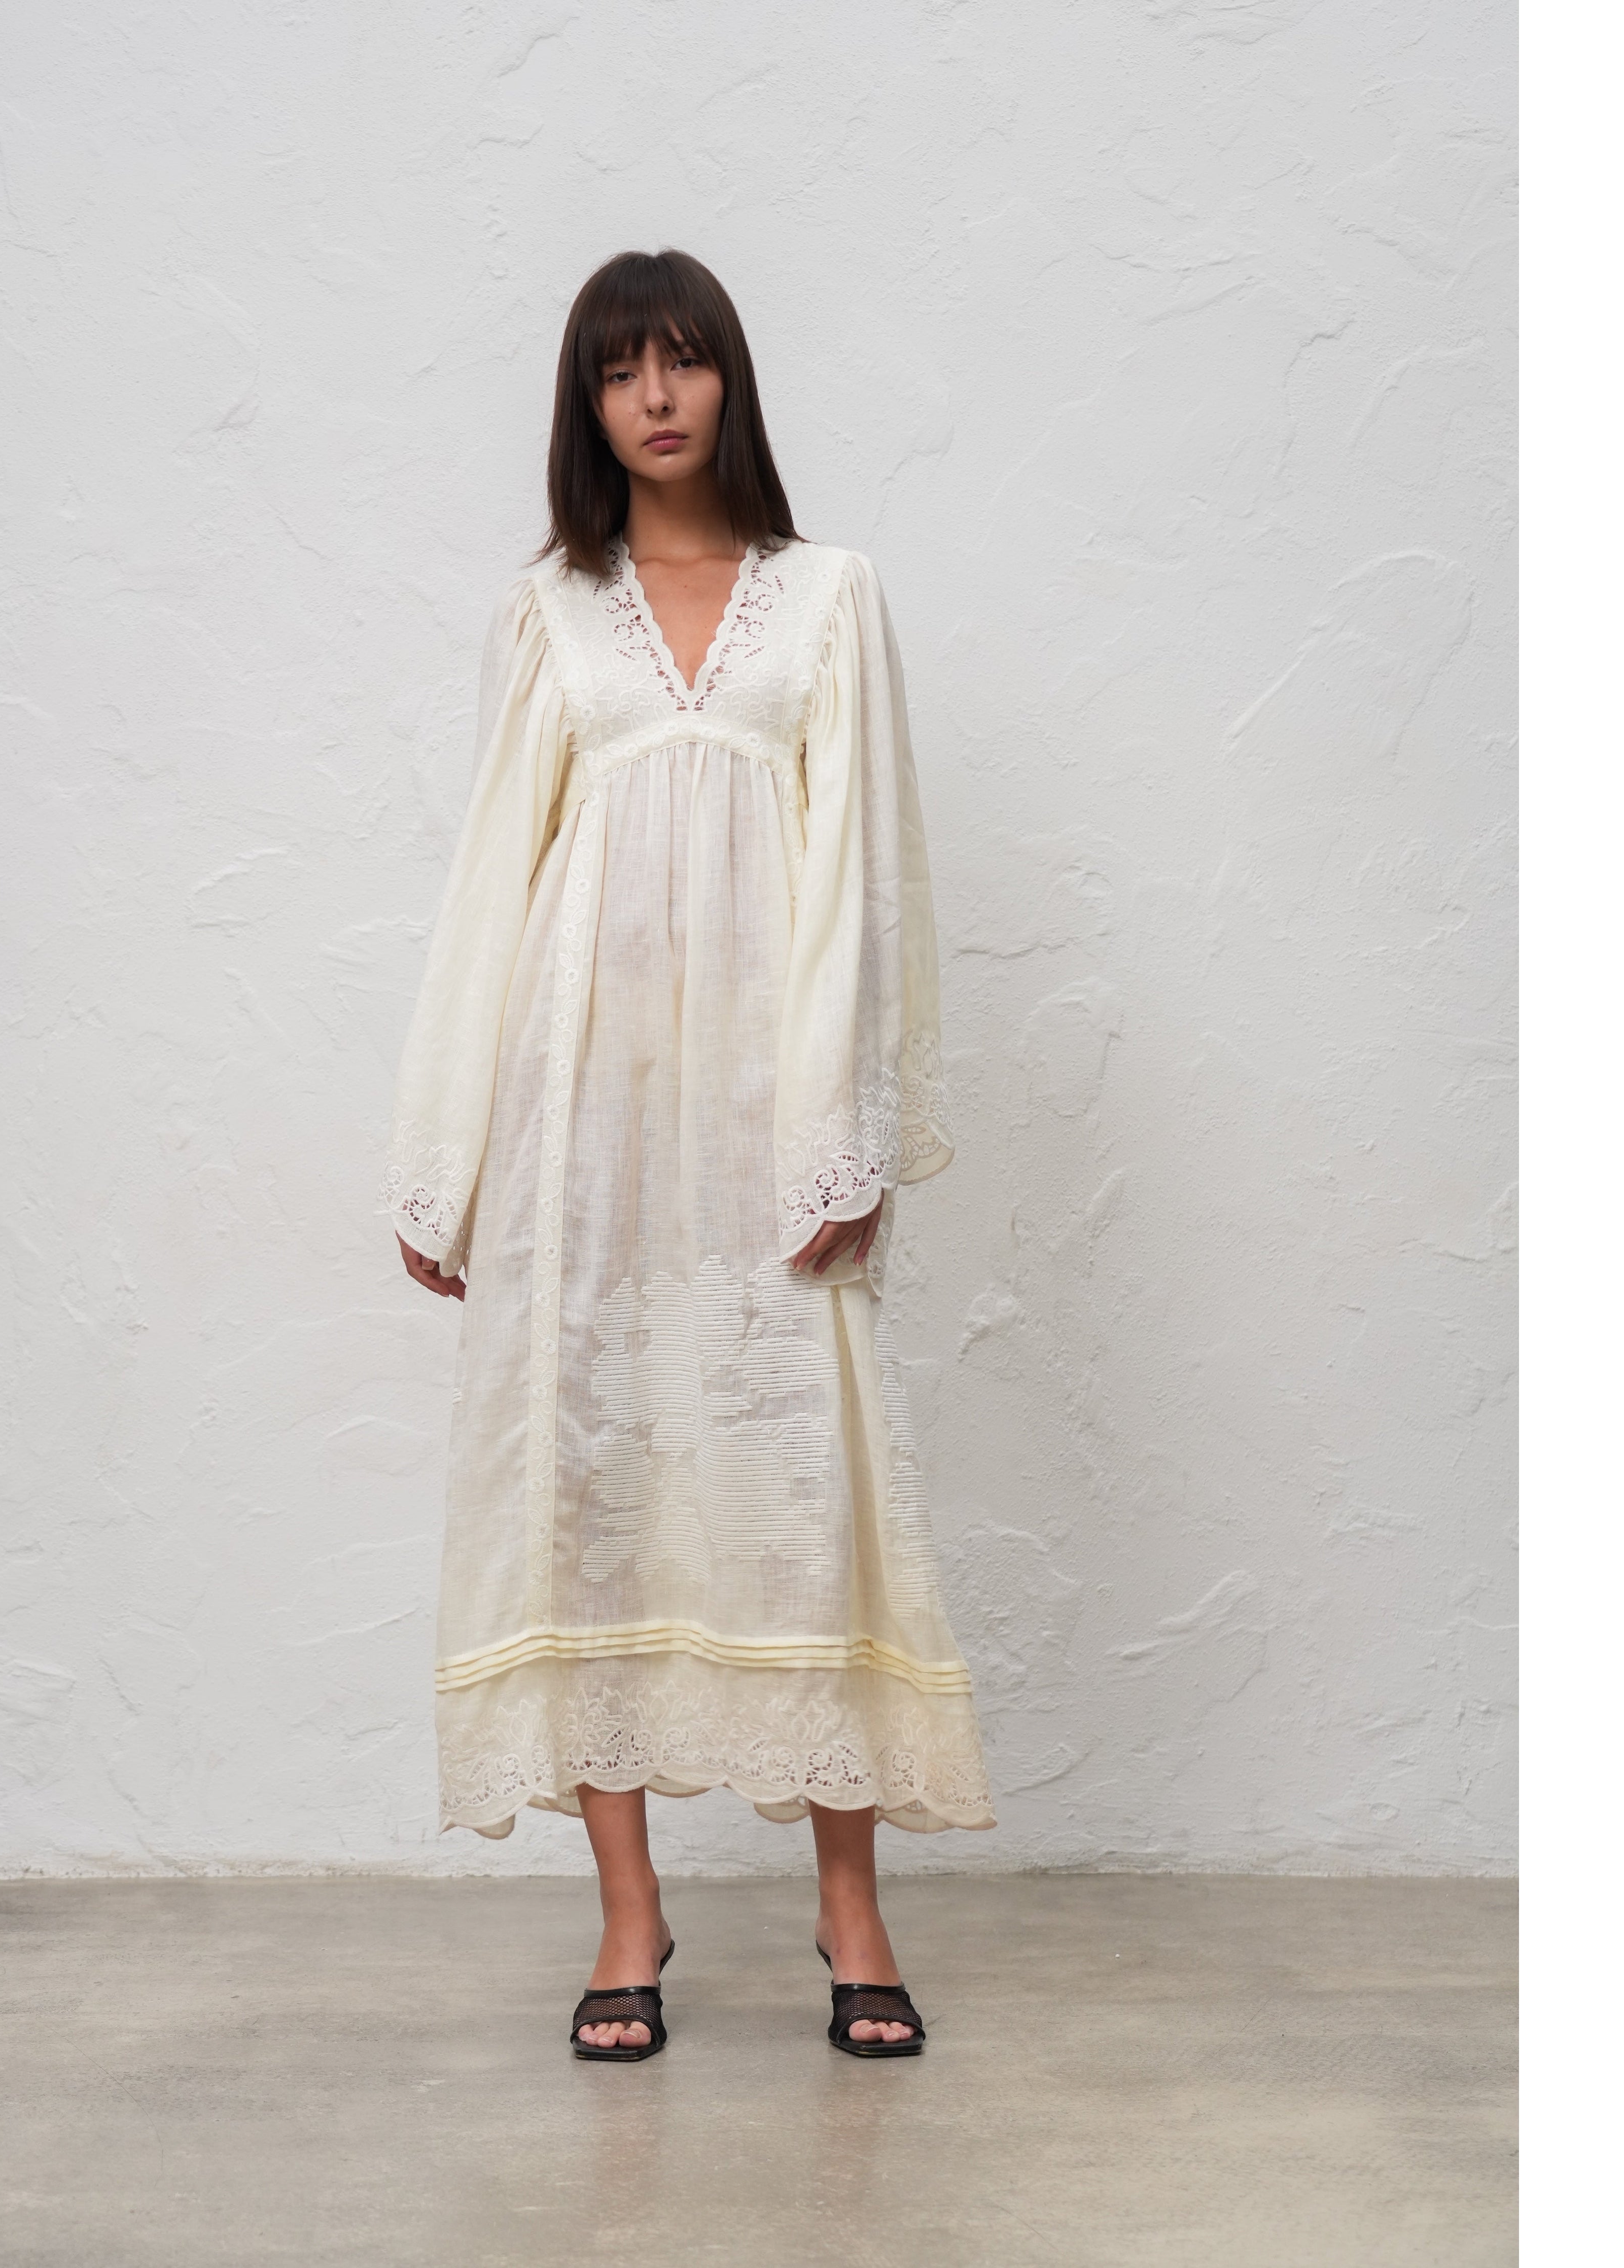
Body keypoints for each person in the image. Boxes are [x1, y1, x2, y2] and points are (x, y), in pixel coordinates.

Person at [383, 249, 992, 2062]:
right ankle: (628, 1919)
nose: (656, 398)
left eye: (685, 361)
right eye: (617, 371)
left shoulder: (831, 598)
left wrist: (843, 1133)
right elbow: (493, 881)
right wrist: (451, 1152)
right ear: (585, 407)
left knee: (809, 1491)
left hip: (764, 1113)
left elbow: (865, 872)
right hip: (581, 1121)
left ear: (731, 379)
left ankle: (850, 1909)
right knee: (588, 1487)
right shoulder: (552, 615)